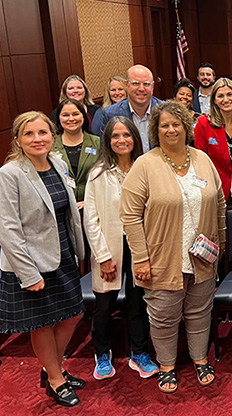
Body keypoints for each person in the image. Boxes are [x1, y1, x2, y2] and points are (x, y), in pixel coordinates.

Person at [120, 100, 226, 394]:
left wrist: (221, 243)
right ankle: (166, 365)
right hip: (160, 258)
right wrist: (140, 258)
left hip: (202, 256)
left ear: (186, 128)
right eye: (164, 125)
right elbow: (129, 215)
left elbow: (219, 203)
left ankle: (200, 358)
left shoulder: (202, 159)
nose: (170, 129)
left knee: (200, 310)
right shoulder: (145, 165)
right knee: (163, 316)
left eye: (176, 124)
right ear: (155, 129)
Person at [0, 112, 85, 407]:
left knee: (73, 314)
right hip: (30, 261)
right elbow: (7, 229)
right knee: (43, 324)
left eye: (43, 133)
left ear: (52, 135)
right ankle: (56, 378)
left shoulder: (58, 164)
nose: (37, 139)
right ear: (18, 140)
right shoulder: (10, 173)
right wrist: (28, 274)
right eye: (29, 134)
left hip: (62, 253)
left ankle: (52, 368)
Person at [83, 117, 158, 380]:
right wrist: (103, 256)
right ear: (108, 141)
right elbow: (90, 219)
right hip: (109, 248)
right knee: (104, 305)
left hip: (139, 246)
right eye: (115, 136)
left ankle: (139, 352)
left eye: (127, 134)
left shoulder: (146, 168)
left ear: (135, 138)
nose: (122, 140)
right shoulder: (98, 173)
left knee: (139, 302)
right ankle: (102, 353)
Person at [194, 77, 232, 204]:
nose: (226, 99)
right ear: (214, 100)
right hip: (216, 190)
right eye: (220, 96)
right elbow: (200, 162)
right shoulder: (203, 124)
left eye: (229, 94)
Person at [93, 65, 162, 153]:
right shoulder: (110, 114)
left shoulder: (165, 111)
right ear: (127, 85)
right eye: (135, 83)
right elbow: (106, 151)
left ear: (152, 86)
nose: (141, 89)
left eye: (146, 84)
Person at [52, 98, 101, 207]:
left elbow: (105, 178)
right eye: (65, 115)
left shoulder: (98, 143)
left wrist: (88, 202)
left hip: (94, 204)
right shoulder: (50, 146)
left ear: (83, 116)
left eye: (75, 114)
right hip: (62, 207)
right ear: (58, 118)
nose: (71, 119)